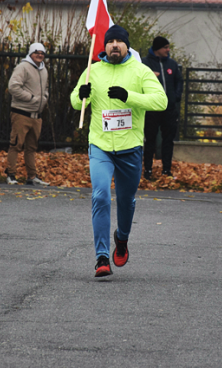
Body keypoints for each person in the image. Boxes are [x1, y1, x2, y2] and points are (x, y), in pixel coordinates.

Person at [70, 25, 167, 277]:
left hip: (130, 148)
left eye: (119, 41)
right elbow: (75, 101)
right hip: (100, 146)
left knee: (126, 201)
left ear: (127, 46)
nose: (114, 45)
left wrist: (129, 96)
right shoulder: (93, 70)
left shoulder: (140, 70)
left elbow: (161, 101)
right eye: (110, 41)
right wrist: (80, 95)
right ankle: (102, 257)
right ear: (104, 46)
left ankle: (121, 238)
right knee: (100, 196)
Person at [6, 42, 50, 186]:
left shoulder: (44, 70)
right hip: (21, 113)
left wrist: (44, 99)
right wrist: (31, 98)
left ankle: (32, 176)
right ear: (30, 53)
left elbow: (46, 89)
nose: (40, 55)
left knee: (32, 147)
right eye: (36, 52)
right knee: (16, 145)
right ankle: (11, 174)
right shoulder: (23, 67)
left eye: (42, 53)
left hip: (37, 116)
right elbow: (13, 87)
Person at [142, 36, 183, 180]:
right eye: (165, 47)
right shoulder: (145, 64)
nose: (168, 50)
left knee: (168, 140)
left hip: (169, 109)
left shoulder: (172, 64)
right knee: (150, 140)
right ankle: (147, 170)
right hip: (151, 109)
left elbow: (179, 81)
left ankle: (166, 170)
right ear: (157, 48)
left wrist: (176, 96)